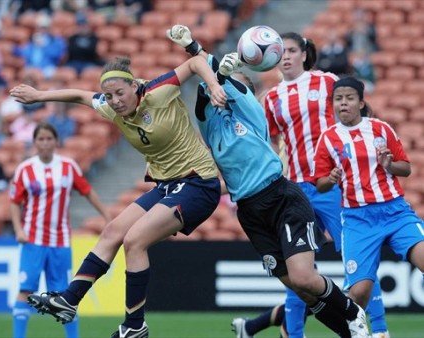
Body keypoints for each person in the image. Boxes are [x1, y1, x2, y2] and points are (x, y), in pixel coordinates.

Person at [167, 24, 369, 338]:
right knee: (302, 292)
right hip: (250, 212)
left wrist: (200, 52)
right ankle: (352, 333)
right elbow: (205, 90)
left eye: (234, 83)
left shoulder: (250, 110)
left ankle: (352, 311)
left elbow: (222, 81)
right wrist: (206, 67)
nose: (223, 87)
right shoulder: (210, 124)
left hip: (280, 197)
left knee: (304, 279)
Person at [9, 49, 227, 338]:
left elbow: (196, 61)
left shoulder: (158, 91)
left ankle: (134, 326)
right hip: (166, 185)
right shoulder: (110, 107)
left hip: (198, 183)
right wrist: (39, 96)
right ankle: (69, 300)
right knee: (113, 231)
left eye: (120, 94)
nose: (115, 101)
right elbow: (79, 95)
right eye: (109, 96)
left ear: (135, 86)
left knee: (134, 241)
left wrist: (214, 86)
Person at [234, 32, 389, 338]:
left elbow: (362, 114)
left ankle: (380, 330)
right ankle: (294, 335)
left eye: (293, 50)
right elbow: (269, 141)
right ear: (275, 56)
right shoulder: (273, 98)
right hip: (294, 191)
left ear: (304, 54)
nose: (288, 56)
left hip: (331, 186)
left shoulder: (327, 82)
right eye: (284, 52)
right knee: (298, 269)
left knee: (358, 260)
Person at [314, 76, 424, 335]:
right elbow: (319, 184)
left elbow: (405, 168)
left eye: (349, 98)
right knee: (359, 293)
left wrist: (389, 165)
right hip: (357, 219)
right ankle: (356, 331)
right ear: (332, 104)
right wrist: (329, 180)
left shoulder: (381, 129)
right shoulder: (328, 139)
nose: (344, 103)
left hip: (395, 212)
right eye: (338, 99)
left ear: (361, 102)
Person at [10, 122, 110, 338]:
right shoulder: (25, 169)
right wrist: (18, 229)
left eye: (49, 138)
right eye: (41, 139)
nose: (45, 143)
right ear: (35, 142)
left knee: (65, 294)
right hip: (32, 239)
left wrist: (107, 217)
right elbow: (14, 201)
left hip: (60, 240)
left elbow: (87, 191)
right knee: (25, 290)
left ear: (56, 141)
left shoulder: (68, 166)